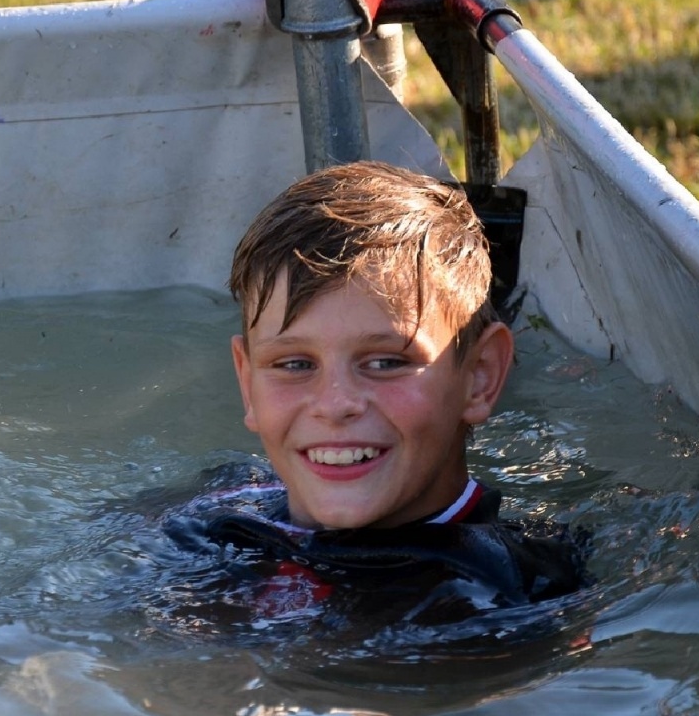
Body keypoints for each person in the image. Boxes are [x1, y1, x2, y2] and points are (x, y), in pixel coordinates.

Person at [161, 160, 588, 631]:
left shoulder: (504, 592)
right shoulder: (219, 503)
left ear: (480, 377)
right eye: (295, 364)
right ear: (247, 383)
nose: (335, 404)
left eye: (386, 362)